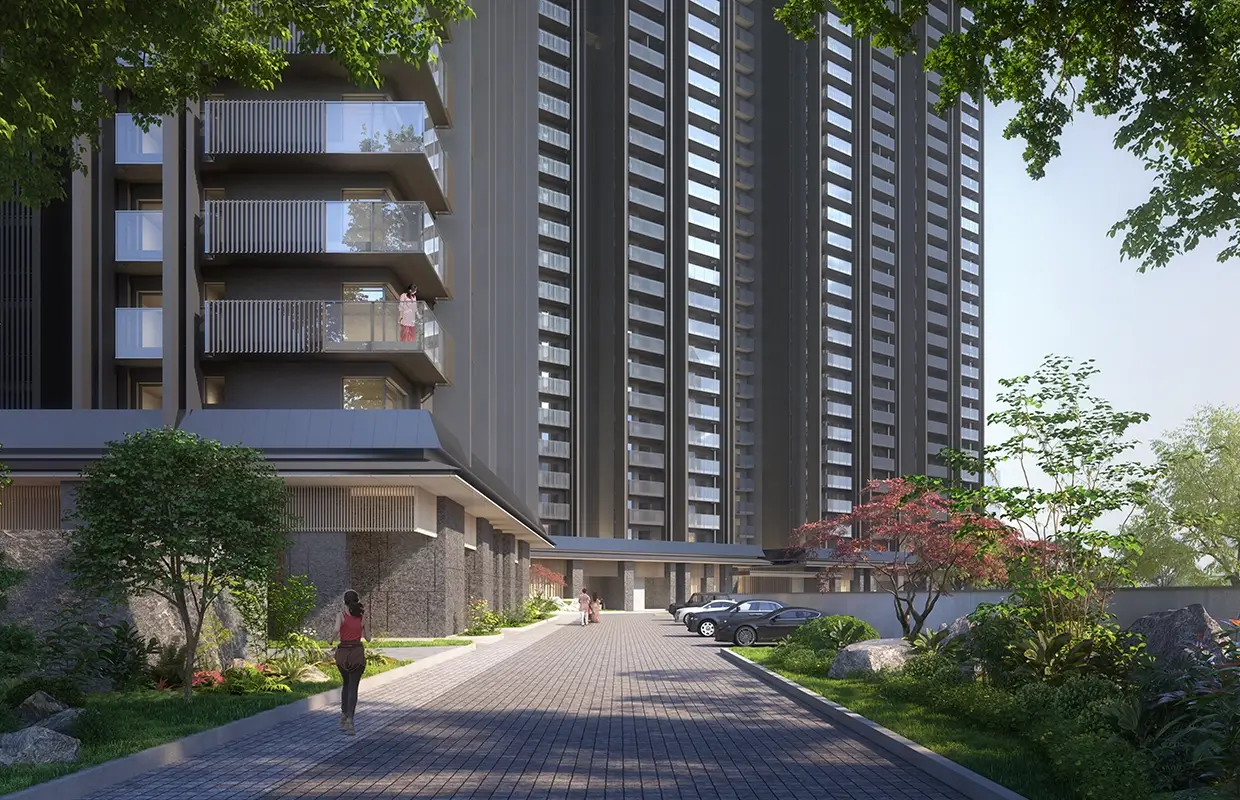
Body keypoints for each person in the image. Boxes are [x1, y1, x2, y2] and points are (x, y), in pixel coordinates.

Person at [333, 589, 369, 735]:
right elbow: (368, 637)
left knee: (346, 683)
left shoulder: (340, 616)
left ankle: (343, 713)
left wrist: (330, 639)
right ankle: (350, 719)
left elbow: (336, 629)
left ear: (344, 602)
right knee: (353, 686)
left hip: (342, 654)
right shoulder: (362, 617)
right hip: (356, 653)